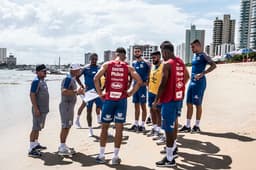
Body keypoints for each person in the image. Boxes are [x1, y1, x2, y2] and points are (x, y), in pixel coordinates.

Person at [94, 47, 142, 165]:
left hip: (109, 99)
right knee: (119, 128)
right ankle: (115, 157)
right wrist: (130, 92)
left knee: (104, 127)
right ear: (124, 56)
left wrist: (100, 94)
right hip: (121, 101)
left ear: (115, 55)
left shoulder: (107, 64)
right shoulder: (128, 67)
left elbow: (96, 78)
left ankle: (101, 155)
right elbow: (139, 81)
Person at [153, 41, 189, 167]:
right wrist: (178, 87)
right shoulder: (180, 61)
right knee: (173, 124)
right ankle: (173, 149)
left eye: (162, 52)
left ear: (165, 51)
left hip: (169, 101)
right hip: (178, 98)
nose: (162, 55)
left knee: (168, 128)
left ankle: (169, 159)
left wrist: (156, 99)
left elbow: (163, 84)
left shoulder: (167, 64)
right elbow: (187, 77)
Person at [179, 39, 216, 133]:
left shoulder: (204, 55)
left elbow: (213, 65)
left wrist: (203, 73)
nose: (192, 48)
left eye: (193, 47)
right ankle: (187, 126)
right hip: (192, 82)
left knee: (198, 104)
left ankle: (197, 126)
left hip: (199, 83)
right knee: (188, 103)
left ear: (199, 46)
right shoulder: (194, 56)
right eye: (191, 47)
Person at [58, 64, 84, 155]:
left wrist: (79, 92)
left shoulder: (72, 79)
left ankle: (63, 144)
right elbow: (64, 91)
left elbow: (71, 92)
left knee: (68, 125)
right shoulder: (68, 79)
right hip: (66, 106)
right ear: (74, 71)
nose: (80, 72)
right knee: (65, 126)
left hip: (69, 106)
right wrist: (76, 91)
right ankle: (62, 147)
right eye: (79, 70)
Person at [75, 53, 103, 137]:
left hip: (97, 92)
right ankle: (90, 130)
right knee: (88, 110)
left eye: (96, 59)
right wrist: (82, 86)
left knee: (104, 110)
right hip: (88, 93)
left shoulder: (99, 67)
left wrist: (102, 88)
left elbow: (105, 78)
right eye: (93, 59)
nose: (94, 61)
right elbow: (77, 77)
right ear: (90, 59)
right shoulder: (85, 68)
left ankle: (105, 129)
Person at [28, 64, 49, 157]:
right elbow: (32, 95)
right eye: (43, 71)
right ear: (37, 72)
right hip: (38, 109)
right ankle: (31, 149)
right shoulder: (36, 81)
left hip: (43, 109)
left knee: (39, 128)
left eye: (45, 71)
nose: (45, 72)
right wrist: (36, 108)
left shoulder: (42, 81)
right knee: (35, 128)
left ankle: (36, 144)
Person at [129, 46, 150, 132]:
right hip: (135, 87)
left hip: (142, 88)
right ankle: (136, 123)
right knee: (136, 106)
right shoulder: (133, 63)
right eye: (135, 52)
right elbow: (131, 75)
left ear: (141, 52)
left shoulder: (146, 62)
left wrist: (147, 83)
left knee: (143, 106)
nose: (137, 53)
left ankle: (142, 125)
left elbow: (150, 73)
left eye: (138, 51)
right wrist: (130, 85)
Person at [147, 51, 162, 137]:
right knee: (152, 110)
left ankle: (159, 130)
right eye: (152, 58)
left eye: (155, 57)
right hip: (151, 92)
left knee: (158, 112)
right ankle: (154, 127)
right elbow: (150, 77)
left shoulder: (163, 66)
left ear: (159, 57)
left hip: (159, 93)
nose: (153, 59)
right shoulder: (152, 66)